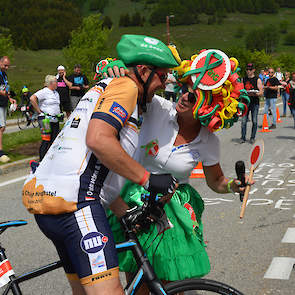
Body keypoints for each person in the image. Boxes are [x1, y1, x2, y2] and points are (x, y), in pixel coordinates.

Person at [22, 35, 179, 295]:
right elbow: (98, 140)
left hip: (51, 202)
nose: (163, 85)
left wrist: (123, 211)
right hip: (77, 205)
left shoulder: (105, 87)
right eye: (162, 77)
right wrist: (148, 179)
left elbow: (94, 169)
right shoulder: (126, 87)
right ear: (142, 71)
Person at [106, 53, 252, 295]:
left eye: (193, 96)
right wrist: (117, 69)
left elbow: (216, 181)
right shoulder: (157, 107)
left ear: (210, 105)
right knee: (138, 278)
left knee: (171, 283)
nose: (184, 95)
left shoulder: (209, 141)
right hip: (135, 201)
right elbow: (135, 83)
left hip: (172, 211)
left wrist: (234, 186)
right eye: (185, 88)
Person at [30, 75, 61, 161]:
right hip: (45, 119)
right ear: (51, 83)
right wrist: (39, 111)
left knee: (54, 140)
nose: (57, 83)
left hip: (55, 119)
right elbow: (32, 98)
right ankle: (42, 160)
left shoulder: (56, 93)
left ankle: (51, 159)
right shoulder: (44, 91)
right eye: (56, 82)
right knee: (46, 140)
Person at [240, 63, 263, 144]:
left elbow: (261, 92)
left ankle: (252, 137)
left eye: (250, 69)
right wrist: (243, 93)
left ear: (253, 70)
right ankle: (243, 137)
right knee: (243, 121)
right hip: (245, 102)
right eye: (247, 69)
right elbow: (240, 90)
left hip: (254, 102)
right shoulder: (243, 79)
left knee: (255, 121)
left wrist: (255, 93)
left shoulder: (257, 79)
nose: (248, 71)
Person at [0, 56, 16, 163]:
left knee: (2, 127)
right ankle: (0, 152)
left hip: (3, 102)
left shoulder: (5, 75)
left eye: (8, 66)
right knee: (1, 127)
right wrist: (5, 93)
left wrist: (10, 98)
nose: (6, 67)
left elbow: (5, 88)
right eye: (5, 65)